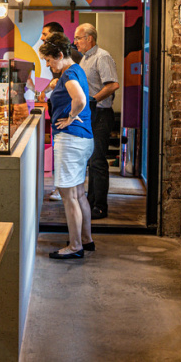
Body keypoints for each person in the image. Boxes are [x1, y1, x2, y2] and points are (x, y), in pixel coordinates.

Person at [39, 32, 94, 259]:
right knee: (79, 193)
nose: (49, 65)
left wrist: (70, 117)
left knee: (69, 195)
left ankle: (75, 246)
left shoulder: (69, 73)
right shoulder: (74, 70)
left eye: (50, 61)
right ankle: (86, 240)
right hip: (82, 139)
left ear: (60, 55)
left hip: (70, 139)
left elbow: (80, 99)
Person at [74, 23, 119, 220]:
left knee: (98, 161)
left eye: (78, 38)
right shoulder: (85, 59)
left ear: (89, 38)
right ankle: (90, 203)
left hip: (100, 114)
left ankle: (100, 207)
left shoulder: (102, 56)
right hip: (89, 114)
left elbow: (113, 85)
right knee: (91, 161)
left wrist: (92, 100)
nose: (75, 42)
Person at [38, 22, 83, 202]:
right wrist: (47, 91)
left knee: (73, 196)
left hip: (70, 122)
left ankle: (64, 190)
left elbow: (78, 97)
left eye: (45, 34)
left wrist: (71, 116)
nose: (42, 37)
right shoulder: (62, 63)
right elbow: (57, 83)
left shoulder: (70, 65)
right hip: (63, 117)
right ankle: (64, 189)